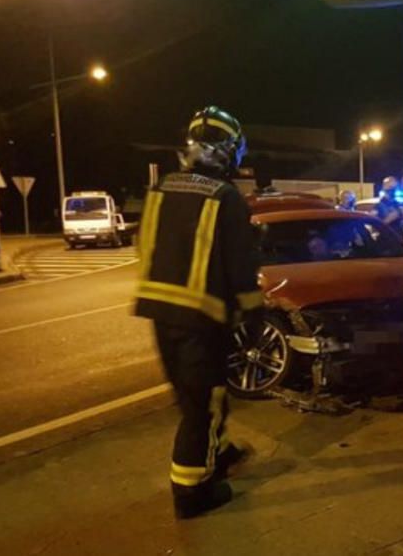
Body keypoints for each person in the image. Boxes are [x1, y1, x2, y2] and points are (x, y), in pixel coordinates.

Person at [134, 106, 264, 519]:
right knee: (205, 403)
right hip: (201, 320)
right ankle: (192, 491)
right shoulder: (225, 197)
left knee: (191, 397)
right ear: (228, 151)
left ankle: (217, 453)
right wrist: (252, 316)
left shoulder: (160, 189)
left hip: (160, 313)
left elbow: (146, 249)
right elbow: (241, 269)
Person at [376, 176, 403, 240]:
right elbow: (378, 223)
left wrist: (402, 213)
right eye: (390, 187)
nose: (392, 190)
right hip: (386, 238)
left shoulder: (397, 203)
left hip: (398, 237)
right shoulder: (380, 204)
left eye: (394, 188)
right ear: (384, 188)